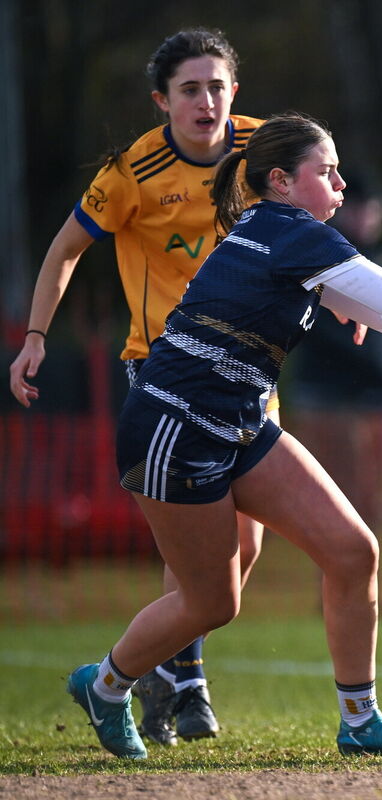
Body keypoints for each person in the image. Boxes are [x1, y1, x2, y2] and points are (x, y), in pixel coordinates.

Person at [61, 112, 382, 759]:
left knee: (353, 551)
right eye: (324, 171)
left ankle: (360, 722)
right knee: (211, 602)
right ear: (281, 181)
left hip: (236, 423)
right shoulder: (288, 230)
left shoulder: (289, 235)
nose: (339, 182)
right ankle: (104, 686)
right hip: (174, 425)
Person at [7, 29, 267, 747]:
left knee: (239, 558)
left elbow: (314, 215)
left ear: (234, 93)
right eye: (190, 89)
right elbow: (64, 250)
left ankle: (162, 674)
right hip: (167, 375)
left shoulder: (263, 148)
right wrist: (34, 338)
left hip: (250, 371)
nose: (206, 101)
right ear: (162, 101)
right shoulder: (132, 172)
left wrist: (346, 295)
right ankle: (177, 684)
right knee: (203, 558)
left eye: (217, 86)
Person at [286, 171, 382, 533]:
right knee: (339, 500)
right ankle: (335, 588)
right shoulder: (325, 253)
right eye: (361, 209)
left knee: (371, 503)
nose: (369, 218)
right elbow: (321, 329)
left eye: (375, 210)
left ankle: (360, 588)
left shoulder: (379, 256)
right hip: (333, 396)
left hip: (377, 398)